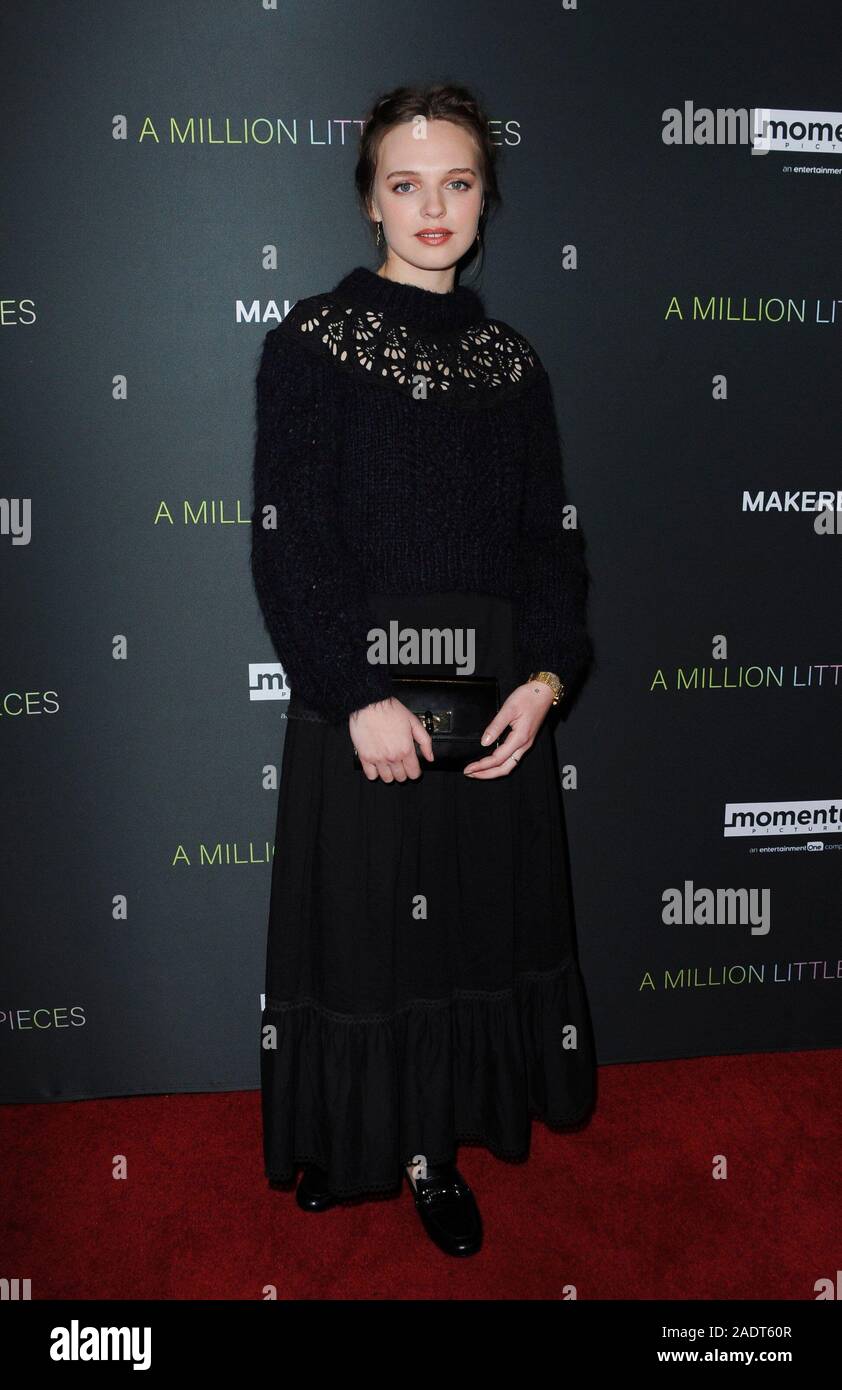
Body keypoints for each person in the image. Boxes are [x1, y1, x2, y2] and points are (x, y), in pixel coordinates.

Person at [250, 82, 597, 1258]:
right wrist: (352, 691)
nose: (431, 205)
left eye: (455, 180)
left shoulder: (515, 364)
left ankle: (431, 1149)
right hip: (364, 689)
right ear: (368, 202)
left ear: (485, 197)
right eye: (405, 182)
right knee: (363, 929)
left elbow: (549, 541)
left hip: (490, 693)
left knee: (459, 934)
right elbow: (288, 537)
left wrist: (546, 681)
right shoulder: (310, 345)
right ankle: (352, 1138)